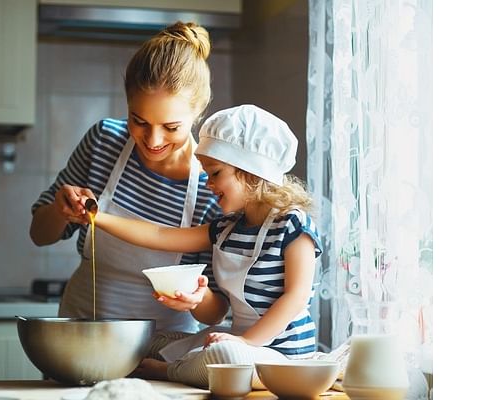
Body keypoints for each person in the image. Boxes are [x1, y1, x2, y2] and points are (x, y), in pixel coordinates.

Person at [88, 104, 323, 388]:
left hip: (283, 358)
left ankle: (167, 371)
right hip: (238, 343)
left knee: (226, 354)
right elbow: (161, 235)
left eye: (215, 173)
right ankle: (184, 362)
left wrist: (245, 341)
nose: (208, 183)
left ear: (250, 171)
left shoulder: (293, 226)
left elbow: (296, 297)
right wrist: (95, 216)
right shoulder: (226, 228)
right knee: (153, 339)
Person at [29, 21, 221, 335]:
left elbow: (217, 310)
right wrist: (59, 211)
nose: (153, 139)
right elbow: (40, 234)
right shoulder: (104, 141)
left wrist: (196, 298)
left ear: (198, 112)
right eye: (139, 120)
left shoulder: (210, 185)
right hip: (79, 335)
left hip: (162, 353)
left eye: (171, 127)